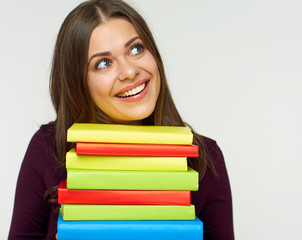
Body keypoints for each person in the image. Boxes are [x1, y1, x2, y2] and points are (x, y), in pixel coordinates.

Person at [8, 0, 234, 239]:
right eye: (103, 63)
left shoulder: (206, 159)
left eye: (136, 49)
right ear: (78, 83)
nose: (129, 71)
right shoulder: (48, 148)